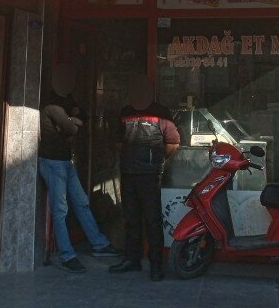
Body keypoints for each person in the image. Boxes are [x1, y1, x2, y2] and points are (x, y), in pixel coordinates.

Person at [38, 64, 120, 273]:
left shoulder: (67, 99)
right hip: (52, 161)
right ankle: (67, 255)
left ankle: (99, 244)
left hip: (66, 161)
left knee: (81, 202)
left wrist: (70, 121)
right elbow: (72, 128)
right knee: (60, 209)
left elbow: (82, 117)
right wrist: (70, 121)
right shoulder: (51, 103)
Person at [110, 75, 180, 281]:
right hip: (128, 173)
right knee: (131, 219)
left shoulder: (161, 113)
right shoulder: (125, 112)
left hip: (150, 175)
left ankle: (156, 265)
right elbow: (118, 141)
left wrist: (156, 160)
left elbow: (173, 142)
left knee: (152, 220)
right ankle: (132, 260)